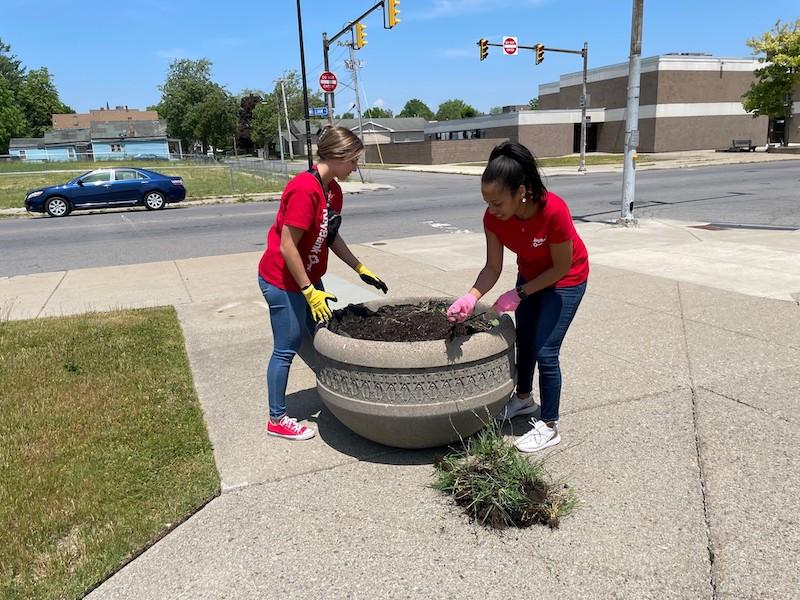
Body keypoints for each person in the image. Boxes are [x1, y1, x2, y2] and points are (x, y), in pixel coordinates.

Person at [447, 141, 588, 453]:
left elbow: (562, 267)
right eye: (487, 202)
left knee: (546, 350)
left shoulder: (554, 211)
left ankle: (550, 426)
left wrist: (520, 292)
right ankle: (523, 400)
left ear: (521, 191)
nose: (491, 210)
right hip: (531, 277)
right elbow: (492, 266)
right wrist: (470, 297)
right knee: (524, 340)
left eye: (497, 202)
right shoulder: (493, 219)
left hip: (566, 279)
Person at [258, 126, 388, 441]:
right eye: (354, 160)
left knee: (314, 336)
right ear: (338, 155)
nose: (356, 168)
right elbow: (288, 245)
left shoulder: (334, 191)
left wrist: (359, 267)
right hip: (283, 280)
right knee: (286, 346)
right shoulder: (305, 189)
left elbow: (330, 236)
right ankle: (276, 419)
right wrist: (308, 291)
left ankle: (331, 390)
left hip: (308, 279)